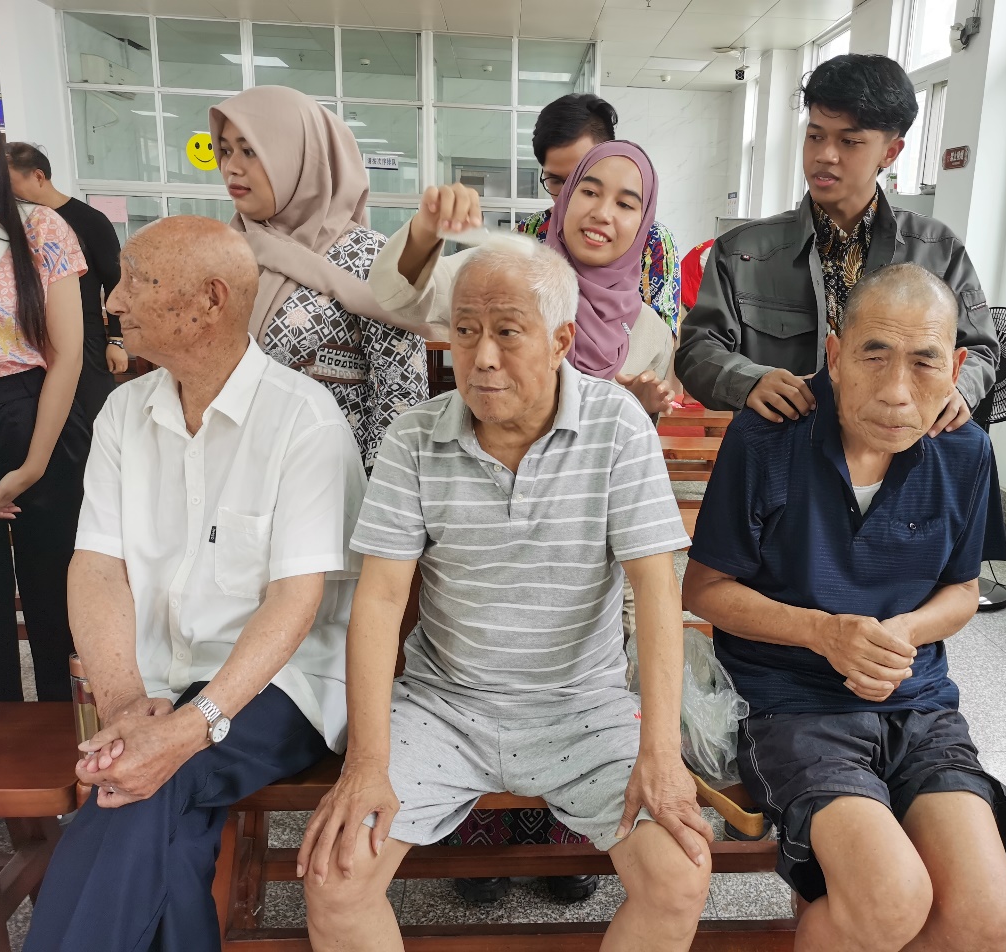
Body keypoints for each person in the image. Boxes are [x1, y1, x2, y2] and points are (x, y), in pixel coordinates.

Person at [297, 236, 713, 951]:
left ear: (561, 342)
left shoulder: (618, 427)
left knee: (679, 876)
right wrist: (365, 764)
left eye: (507, 332)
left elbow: (655, 591)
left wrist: (661, 754)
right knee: (335, 880)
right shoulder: (414, 437)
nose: (482, 356)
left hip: (583, 708)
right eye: (465, 331)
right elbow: (380, 600)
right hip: (443, 707)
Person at [23, 216, 365, 952]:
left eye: (136, 281)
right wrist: (124, 705)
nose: (114, 301)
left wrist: (186, 727)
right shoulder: (124, 412)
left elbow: (296, 601)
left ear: (211, 299)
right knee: (157, 805)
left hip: (275, 685)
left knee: (140, 782)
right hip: (150, 684)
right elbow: (96, 566)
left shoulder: (303, 419)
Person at [684, 263, 1006, 952]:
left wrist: (905, 631)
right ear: (834, 355)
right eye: (874, 355)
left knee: (983, 918)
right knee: (889, 899)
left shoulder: (964, 451)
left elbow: (962, 591)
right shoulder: (768, 436)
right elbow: (704, 589)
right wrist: (823, 633)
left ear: (956, 368)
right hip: (790, 705)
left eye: (925, 362)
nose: (897, 392)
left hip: (917, 704)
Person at [676, 54, 999, 431]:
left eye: (849, 141)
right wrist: (749, 380)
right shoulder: (743, 252)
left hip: (900, 449)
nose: (825, 155)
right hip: (784, 450)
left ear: (890, 152)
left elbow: (979, 349)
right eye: (815, 136)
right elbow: (697, 351)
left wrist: (958, 389)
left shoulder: (938, 251)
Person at [208, 85, 429, 471]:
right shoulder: (222, 254)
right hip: (233, 471)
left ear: (300, 158)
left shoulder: (368, 257)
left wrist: (380, 493)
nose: (232, 167)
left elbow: (400, 394)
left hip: (333, 482)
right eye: (225, 150)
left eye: (250, 151)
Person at [371, 140, 676, 417]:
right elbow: (400, 300)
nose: (602, 213)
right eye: (589, 192)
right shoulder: (499, 271)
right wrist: (425, 231)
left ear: (643, 223)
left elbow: (631, 445)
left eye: (625, 204)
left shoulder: (651, 333)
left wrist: (637, 407)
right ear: (567, 197)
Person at [0, 73, 87, 703]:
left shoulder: (40, 227)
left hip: (33, 412)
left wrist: (35, 463)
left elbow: (67, 352)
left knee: (57, 600)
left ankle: (71, 744)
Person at [518, 94, 681, 333]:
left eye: (580, 179)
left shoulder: (653, 242)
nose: (567, 196)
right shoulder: (528, 234)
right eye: (555, 181)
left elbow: (662, 337)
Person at [6, 142, 127, 425]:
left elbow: (115, 282)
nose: (7, 193)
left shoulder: (90, 221)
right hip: (32, 341)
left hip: (86, 338)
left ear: (38, 176)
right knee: (44, 421)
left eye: (10, 184)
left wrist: (116, 340)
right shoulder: (16, 224)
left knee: (94, 421)